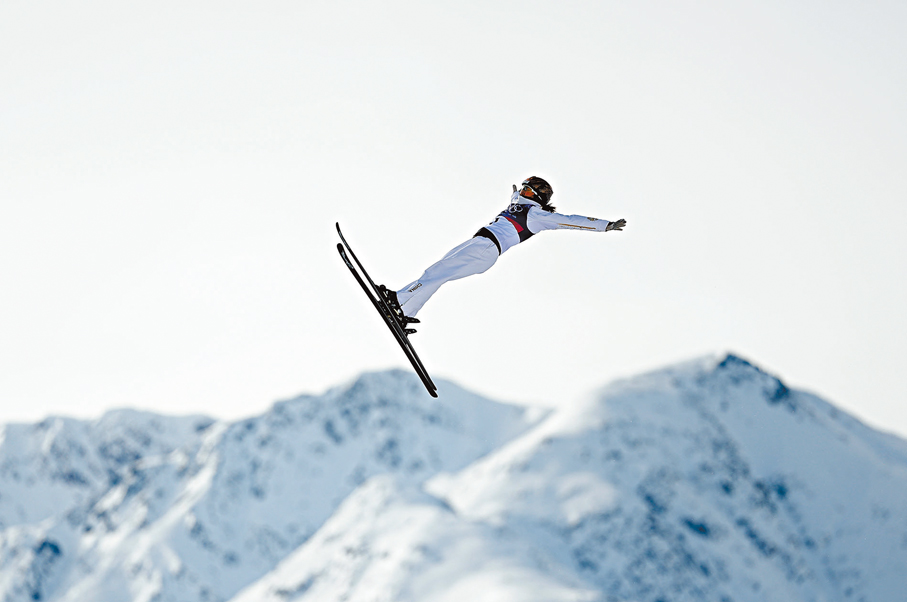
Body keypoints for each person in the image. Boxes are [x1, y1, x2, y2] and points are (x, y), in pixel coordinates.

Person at [378, 176, 626, 332]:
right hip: (480, 244)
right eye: (524, 188)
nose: (523, 192)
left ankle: (397, 300)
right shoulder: (520, 204)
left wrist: (605, 225)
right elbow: (515, 198)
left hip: (486, 247)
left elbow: (570, 221)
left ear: (538, 198)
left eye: (529, 192)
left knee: (436, 272)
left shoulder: (537, 215)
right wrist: (517, 193)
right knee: (436, 274)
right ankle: (405, 313)